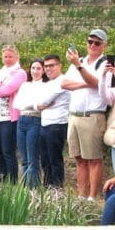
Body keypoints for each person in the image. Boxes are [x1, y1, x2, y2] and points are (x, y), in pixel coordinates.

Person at [64, 29, 111, 199]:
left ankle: (92, 197)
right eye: (90, 41)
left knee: (94, 159)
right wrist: (84, 82)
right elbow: (64, 83)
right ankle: (81, 195)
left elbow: (97, 83)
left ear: (104, 45)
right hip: (75, 114)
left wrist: (78, 67)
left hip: (93, 115)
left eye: (97, 43)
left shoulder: (105, 64)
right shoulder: (80, 60)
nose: (92, 45)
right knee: (79, 158)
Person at [0, 45, 27, 182]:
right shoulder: (0, 72)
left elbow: (8, 89)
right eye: (5, 56)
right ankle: (1, 179)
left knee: (8, 151)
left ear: (16, 57)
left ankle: (12, 181)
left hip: (9, 117)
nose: (7, 59)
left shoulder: (20, 73)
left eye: (10, 56)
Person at [35, 55, 71, 188]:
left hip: (57, 124)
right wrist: (40, 104)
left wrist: (41, 104)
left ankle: (57, 188)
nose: (48, 68)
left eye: (52, 65)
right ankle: (47, 188)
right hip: (45, 123)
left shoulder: (63, 81)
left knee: (54, 159)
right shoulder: (47, 84)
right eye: (46, 66)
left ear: (59, 65)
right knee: (45, 160)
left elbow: (44, 101)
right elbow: (36, 103)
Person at [14, 58, 48, 187]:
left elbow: (41, 104)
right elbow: (17, 104)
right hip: (22, 119)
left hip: (35, 120)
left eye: (38, 68)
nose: (35, 71)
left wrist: (30, 104)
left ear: (43, 70)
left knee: (33, 158)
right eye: (33, 68)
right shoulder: (25, 85)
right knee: (24, 158)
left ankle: (33, 188)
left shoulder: (45, 86)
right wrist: (32, 104)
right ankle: (24, 188)